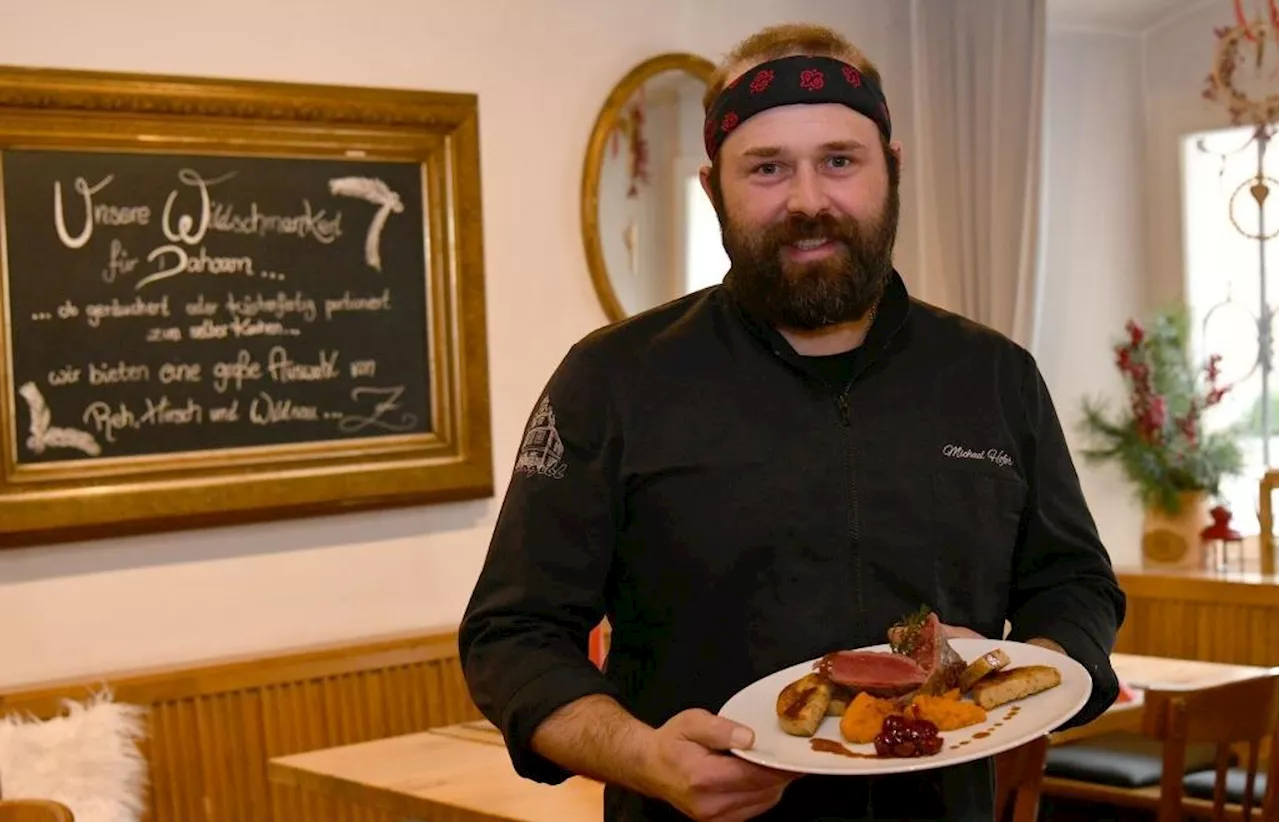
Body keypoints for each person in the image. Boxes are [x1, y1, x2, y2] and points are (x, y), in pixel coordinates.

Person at [458, 22, 1126, 822]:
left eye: (840, 161)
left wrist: (1031, 671)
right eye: (767, 168)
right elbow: (513, 634)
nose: (808, 201)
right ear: (713, 189)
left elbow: (1074, 583)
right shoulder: (613, 379)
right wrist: (647, 758)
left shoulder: (993, 375)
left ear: (893, 170)